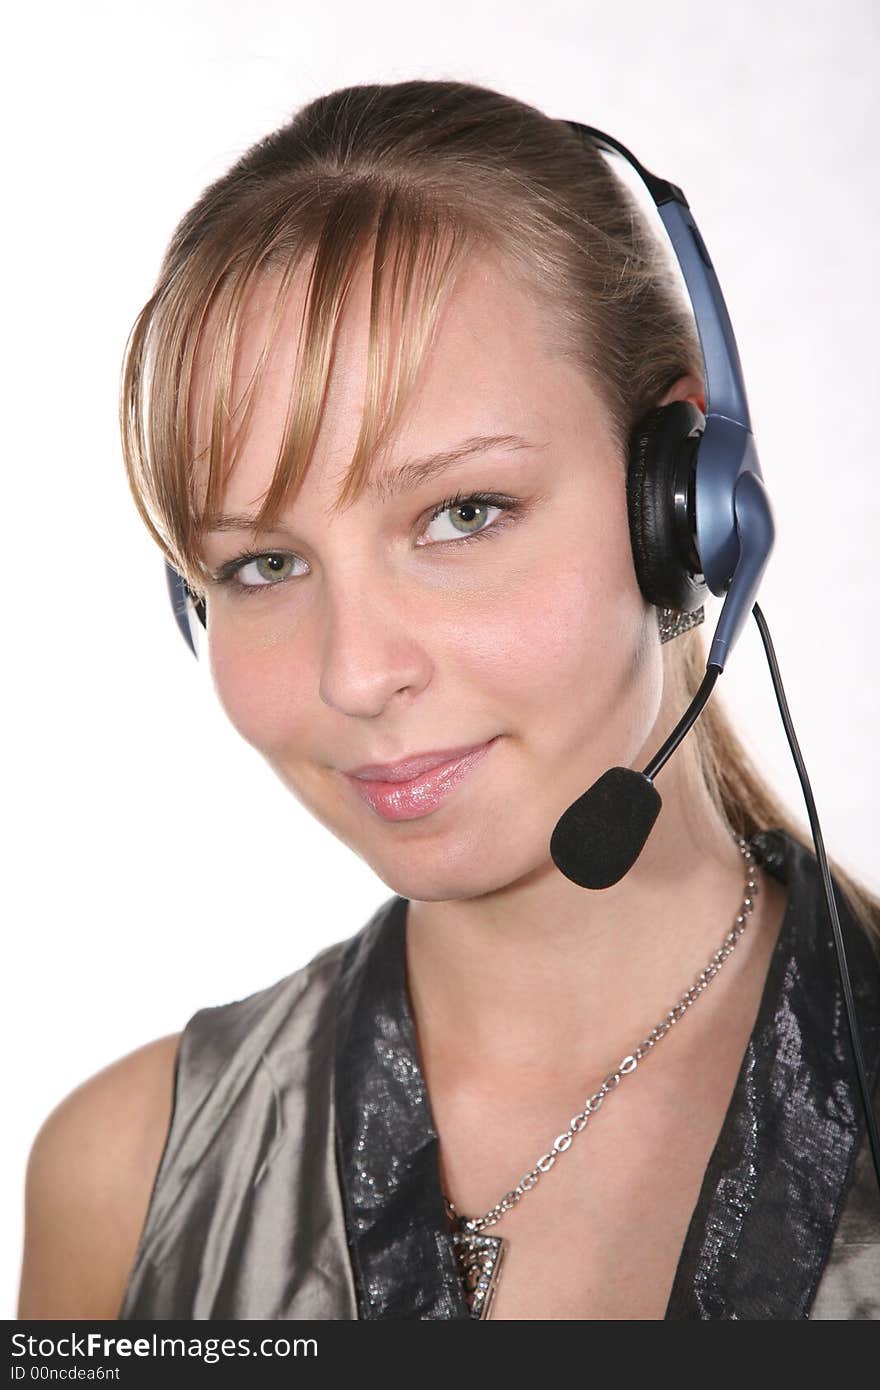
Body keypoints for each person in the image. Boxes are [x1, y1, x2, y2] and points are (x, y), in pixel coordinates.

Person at [17, 79, 880, 1322]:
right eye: (262, 563)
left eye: (461, 514)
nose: (356, 673)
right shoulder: (124, 1174)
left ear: (684, 503)